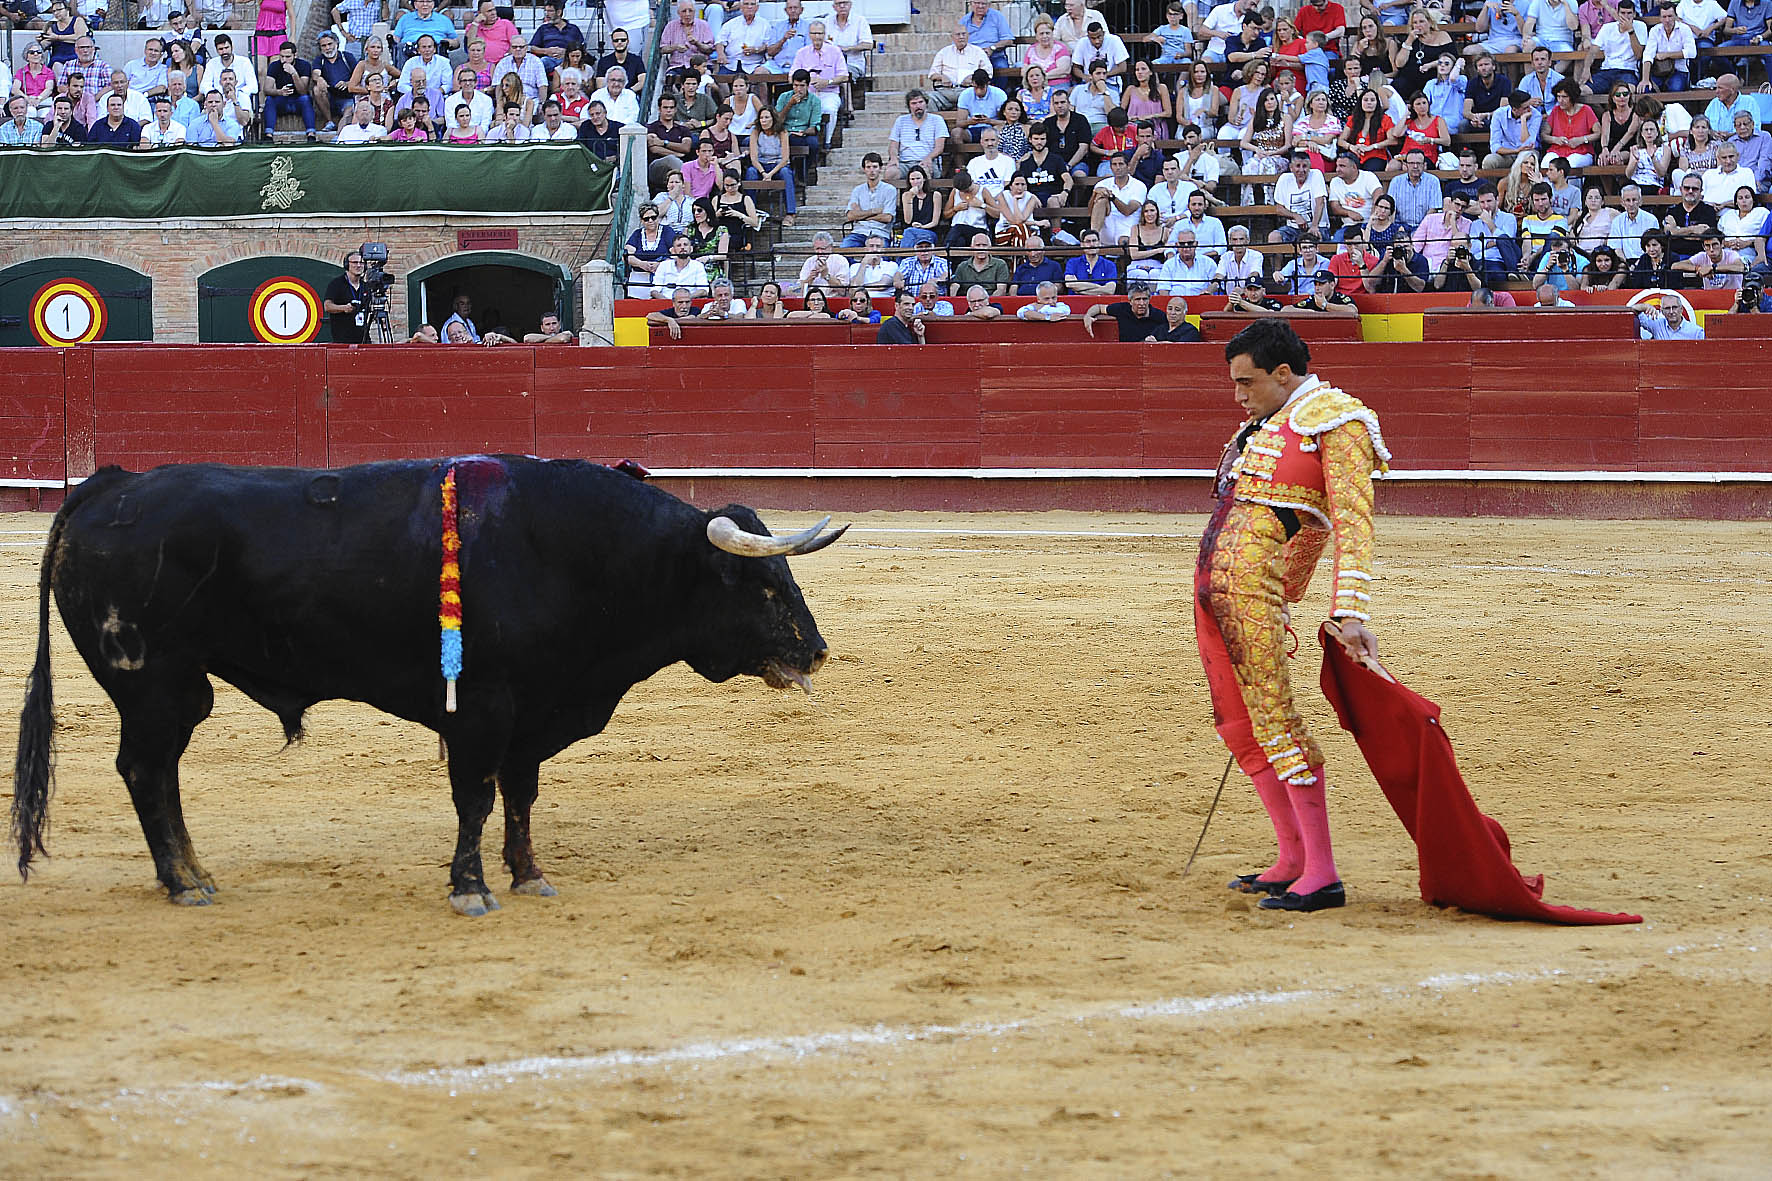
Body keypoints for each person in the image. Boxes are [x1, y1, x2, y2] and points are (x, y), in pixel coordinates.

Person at [1198, 317, 1388, 913]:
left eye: (1247, 382)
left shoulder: (1337, 419)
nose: (1238, 394)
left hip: (1251, 593)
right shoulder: (1264, 424)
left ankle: (1324, 873)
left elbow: (1351, 522)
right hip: (1219, 590)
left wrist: (1348, 610)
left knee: (1277, 723)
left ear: (1283, 373)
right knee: (1237, 724)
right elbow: (1297, 524)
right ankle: (1292, 858)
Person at [1082, 281, 1165, 339]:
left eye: (1145, 299)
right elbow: (1098, 307)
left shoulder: (1159, 316)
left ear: (1149, 299)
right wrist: (1088, 316)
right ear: (1130, 301)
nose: (1142, 303)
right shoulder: (1122, 309)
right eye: (1137, 299)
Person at [324, 250, 370, 344]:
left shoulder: (366, 286)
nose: (358, 265)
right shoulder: (337, 284)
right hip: (342, 339)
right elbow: (327, 306)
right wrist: (343, 308)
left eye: (361, 263)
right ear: (346, 265)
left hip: (363, 339)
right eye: (354, 262)